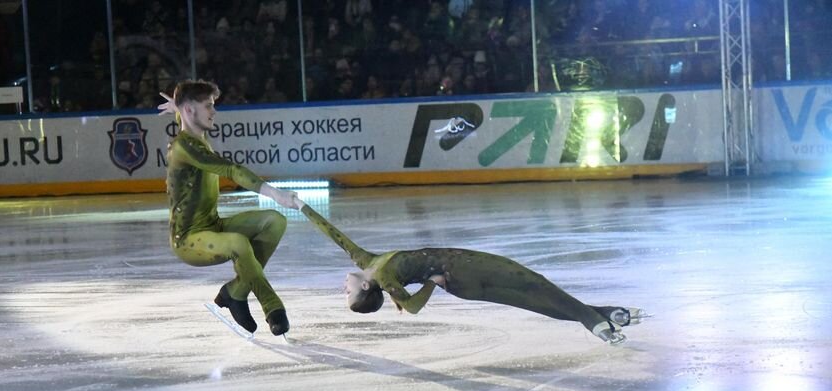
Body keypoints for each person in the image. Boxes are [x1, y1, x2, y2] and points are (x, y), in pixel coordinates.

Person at [300, 205, 644, 344]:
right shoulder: (386, 279)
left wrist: (299, 205)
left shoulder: (367, 261)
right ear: (364, 286)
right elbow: (413, 307)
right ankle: (595, 323)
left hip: (462, 285)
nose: (342, 289)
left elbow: (333, 234)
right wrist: (430, 283)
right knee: (534, 285)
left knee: (531, 301)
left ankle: (606, 315)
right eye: (349, 294)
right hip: (466, 266)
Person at [159, 80, 304, 335]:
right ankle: (273, 307)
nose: (214, 111)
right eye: (208, 106)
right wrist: (275, 193)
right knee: (238, 243)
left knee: (274, 221)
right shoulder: (183, 146)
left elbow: (187, 119)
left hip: (212, 225)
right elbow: (231, 170)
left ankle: (236, 292)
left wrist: (179, 110)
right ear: (191, 110)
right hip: (188, 240)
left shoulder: (195, 134)